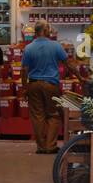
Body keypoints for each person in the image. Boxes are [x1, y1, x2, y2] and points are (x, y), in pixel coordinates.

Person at [21, 20, 74, 154]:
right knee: (53, 115)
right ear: (44, 31)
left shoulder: (28, 48)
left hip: (33, 84)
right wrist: (80, 77)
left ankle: (41, 147)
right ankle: (50, 146)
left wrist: (25, 88)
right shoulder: (56, 46)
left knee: (37, 116)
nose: (50, 31)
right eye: (49, 29)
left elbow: (24, 70)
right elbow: (68, 64)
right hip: (51, 85)